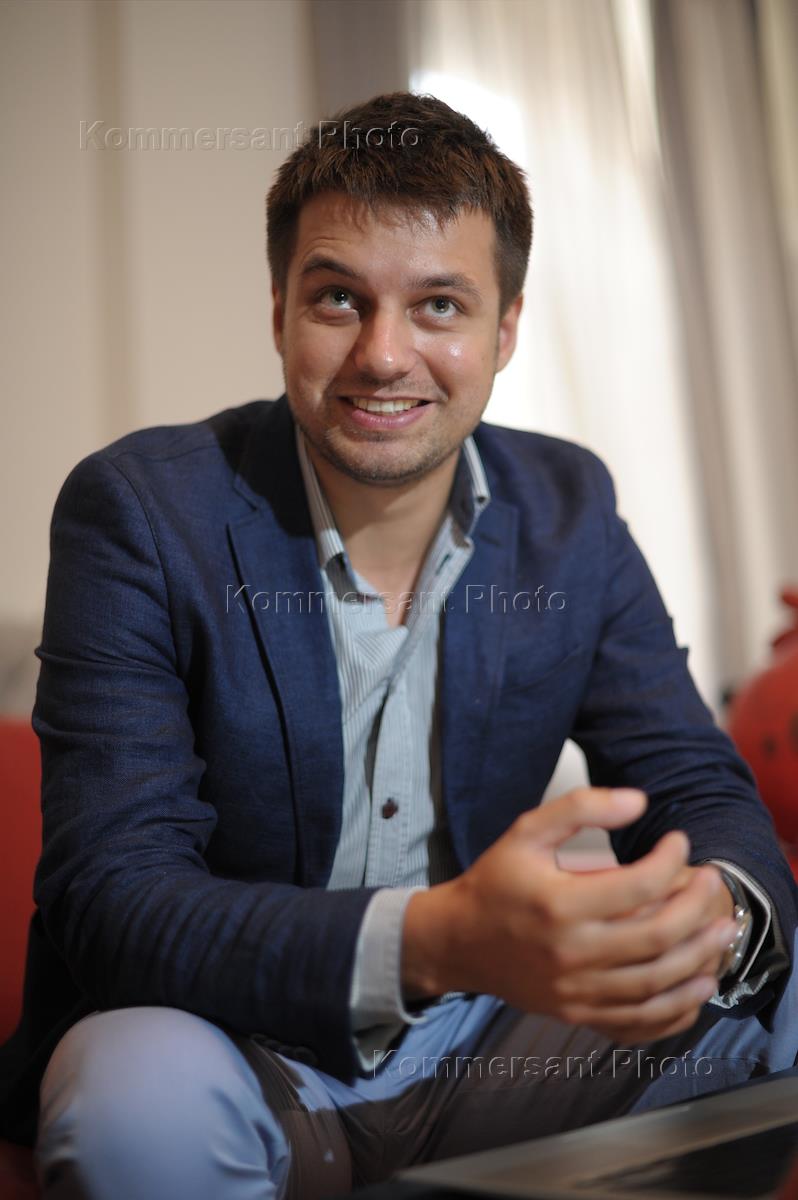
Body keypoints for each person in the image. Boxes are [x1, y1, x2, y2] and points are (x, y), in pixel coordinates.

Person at [1, 91, 796, 1200]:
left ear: (504, 329)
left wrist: (715, 912)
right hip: (231, 1043)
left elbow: (692, 779)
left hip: (496, 1046)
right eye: (339, 298)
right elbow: (114, 896)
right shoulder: (139, 510)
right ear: (279, 310)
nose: (383, 355)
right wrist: (434, 939)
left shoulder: (569, 508)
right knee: (129, 1100)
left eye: (439, 305)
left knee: (779, 971)